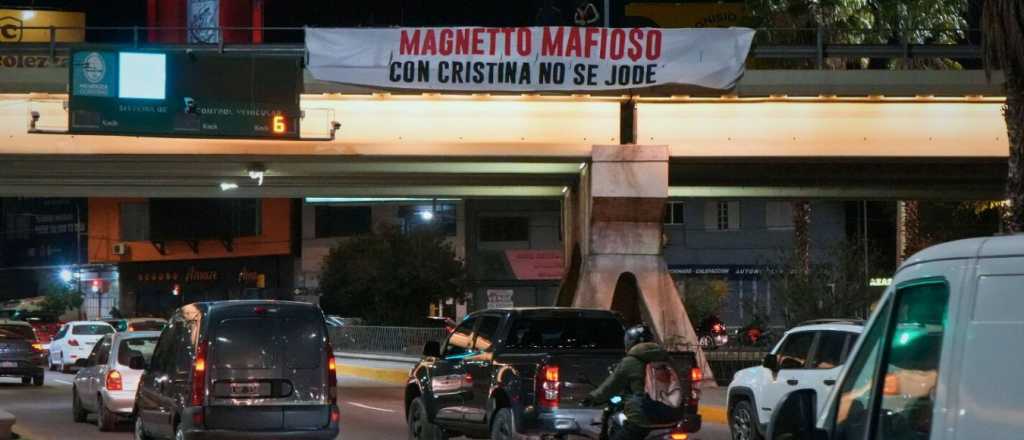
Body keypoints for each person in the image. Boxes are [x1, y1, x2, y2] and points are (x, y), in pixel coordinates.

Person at [584, 323, 667, 440]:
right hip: (669, 417)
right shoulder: (665, 358)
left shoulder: (630, 361)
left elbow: (611, 386)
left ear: (631, 342)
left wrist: (592, 398)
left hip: (642, 419)